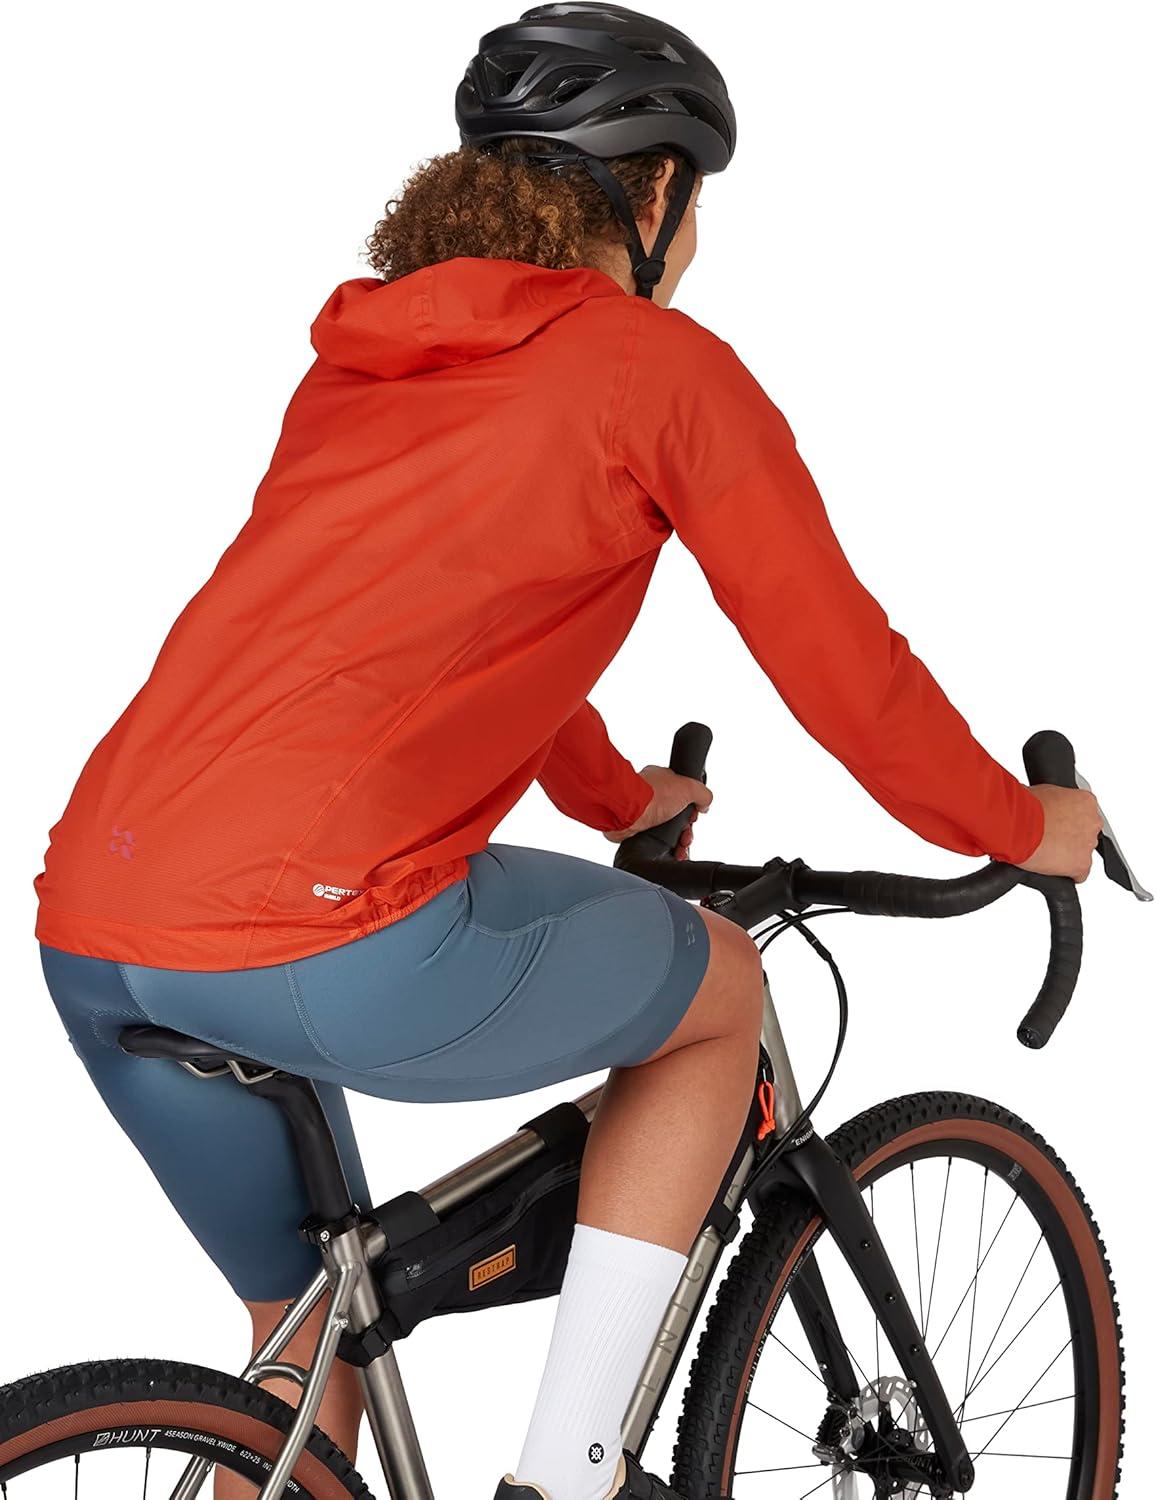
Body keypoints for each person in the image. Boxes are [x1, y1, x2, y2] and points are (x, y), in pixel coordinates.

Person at [34, 6, 1103, 1499]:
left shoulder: (362, 366)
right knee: (717, 996)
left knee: (303, 1353)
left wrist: (617, 799)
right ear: (654, 191)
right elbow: (844, 671)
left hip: (97, 927)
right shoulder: (657, 369)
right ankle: (570, 1476)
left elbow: (428, 633)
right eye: (698, 202)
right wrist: (1022, 826)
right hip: (320, 935)